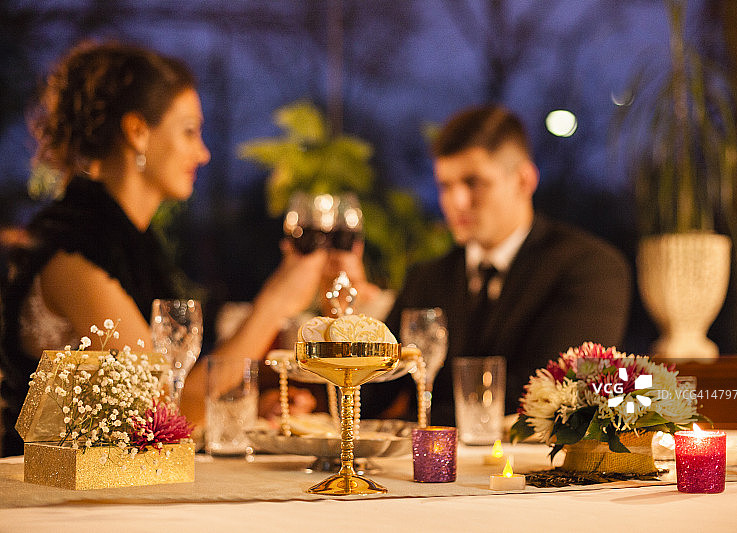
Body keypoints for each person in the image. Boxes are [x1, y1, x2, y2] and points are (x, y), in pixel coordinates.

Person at [0, 41, 326, 456]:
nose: (204, 153)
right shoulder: (75, 255)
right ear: (137, 132)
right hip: (58, 503)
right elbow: (162, 416)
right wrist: (276, 302)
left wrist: (253, 409)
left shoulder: (133, 246)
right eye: (189, 131)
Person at [362, 104, 632, 426]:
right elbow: (375, 389)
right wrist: (316, 395)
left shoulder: (589, 268)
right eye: (445, 186)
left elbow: (550, 397)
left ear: (524, 180)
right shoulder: (427, 278)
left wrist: (416, 418)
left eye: (474, 182)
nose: (456, 201)